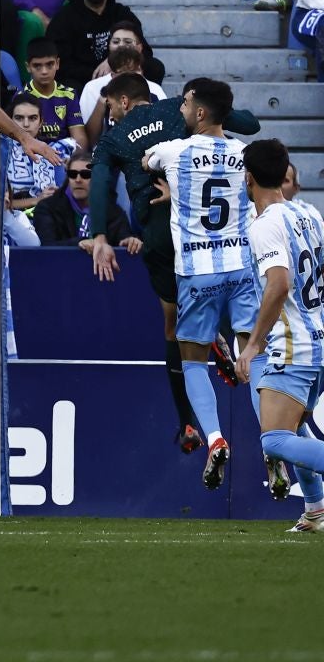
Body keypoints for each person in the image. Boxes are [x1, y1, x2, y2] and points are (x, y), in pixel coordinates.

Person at [143, 80, 255, 490]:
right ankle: (271, 444)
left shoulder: (175, 149)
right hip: (241, 269)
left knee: (192, 362)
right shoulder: (245, 155)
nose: (182, 108)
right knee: (254, 359)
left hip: (197, 272)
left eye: (187, 102)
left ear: (201, 112)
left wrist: (174, 186)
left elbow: (145, 161)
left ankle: (214, 437)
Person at [236, 139, 324, 521]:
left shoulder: (265, 225)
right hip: (318, 337)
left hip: (293, 346)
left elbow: (279, 283)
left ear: (248, 177)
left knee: (274, 439)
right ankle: (315, 510)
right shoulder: (310, 217)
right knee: (294, 428)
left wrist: (253, 344)